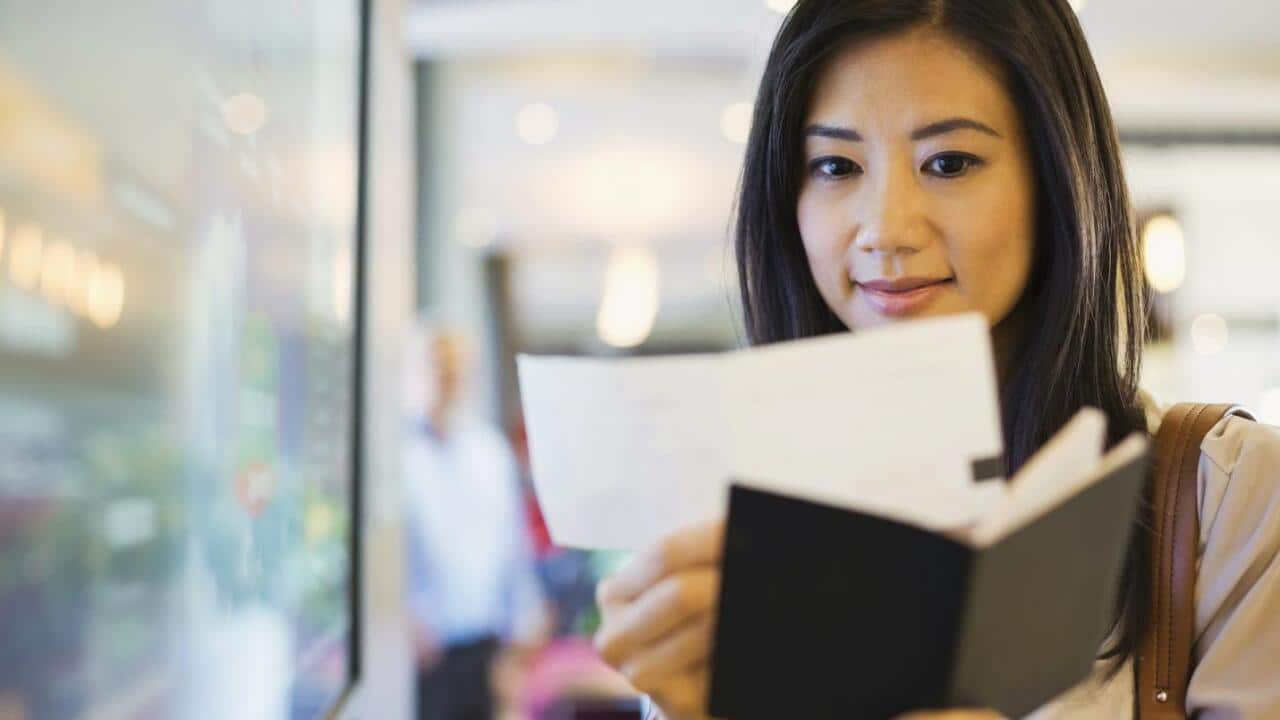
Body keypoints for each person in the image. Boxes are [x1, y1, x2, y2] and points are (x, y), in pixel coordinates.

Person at [590, 1, 1280, 719]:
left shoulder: (1229, 497)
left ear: (1056, 178)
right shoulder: (731, 532)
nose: (887, 228)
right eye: (835, 165)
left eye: (948, 162)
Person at [404, 326, 550, 720]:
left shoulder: (490, 454)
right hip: (421, 655)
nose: (448, 380)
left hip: (484, 649)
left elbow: (512, 549)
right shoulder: (397, 457)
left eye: (457, 371)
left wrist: (522, 636)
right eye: (439, 368)